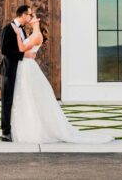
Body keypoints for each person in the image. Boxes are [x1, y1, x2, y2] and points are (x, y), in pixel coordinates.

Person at [10, 11, 113, 144]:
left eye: (32, 16)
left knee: (31, 95)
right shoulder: (33, 34)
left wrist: (17, 35)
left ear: (37, 20)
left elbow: (22, 48)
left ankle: (35, 131)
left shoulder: (37, 36)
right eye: (29, 16)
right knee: (27, 96)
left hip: (28, 67)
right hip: (25, 66)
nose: (30, 17)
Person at [0, 5, 32, 142]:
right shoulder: (8, 28)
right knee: (7, 101)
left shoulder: (23, 30)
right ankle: (5, 132)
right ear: (23, 15)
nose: (30, 17)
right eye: (29, 14)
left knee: (20, 99)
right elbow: (4, 50)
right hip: (9, 70)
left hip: (21, 71)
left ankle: (20, 129)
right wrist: (22, 55)